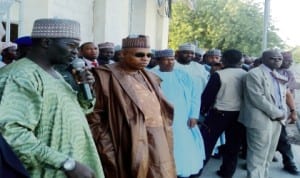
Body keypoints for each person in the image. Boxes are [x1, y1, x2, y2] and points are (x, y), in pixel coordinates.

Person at [0, 18, 104, 178]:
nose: (76, 52)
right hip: (48, 170)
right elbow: (12, 134)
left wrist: (86, 90)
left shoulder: (55, 74)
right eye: (71, 45)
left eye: (77, 47)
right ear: (46, 42)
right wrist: (66, 163)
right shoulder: (20, 76)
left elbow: (75, 111)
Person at [87, 35, 176, 178]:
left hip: (158, 135)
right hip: (126, 139)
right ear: (122, 54)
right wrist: (106, 145)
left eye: (148, 55)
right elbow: (95, 115)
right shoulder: (104, 76)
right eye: (139, 55)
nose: (145, 58)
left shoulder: (151, 77)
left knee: (161, 171)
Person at [152, 49, 205, 178]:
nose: (170, 62)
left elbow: (195, 96)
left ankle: (182, 170)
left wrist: (194, 115)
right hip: (160, 118)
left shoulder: (183, 75)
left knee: (183, 146)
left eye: (171, 59)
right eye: (166, 59)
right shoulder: (150, 75)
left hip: (183, 118)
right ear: (158, 61)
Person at [239, 49, 287, 178]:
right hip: (260, 120)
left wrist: (284, 114)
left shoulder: (277, 75)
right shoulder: (254, 74)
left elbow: (281, 97)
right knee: (257, 157)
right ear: (264, 59)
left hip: (277, 120)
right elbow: (257, 98)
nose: (277, 60)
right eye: (273, 58)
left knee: (269, 155)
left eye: (279, 58)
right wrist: (278, 113)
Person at [200, 49, 247, 178]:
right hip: (238, 115)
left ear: (224, 60)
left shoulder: (219, 75)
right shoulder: (246, 74)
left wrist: (202, 112)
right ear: (240, 60)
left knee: (206, 144)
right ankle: (227, 172)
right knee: (233, 146)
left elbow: (208, 97)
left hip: (218, 114)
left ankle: (197, 171)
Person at [274, 51, 300, 175]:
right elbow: (292, 85)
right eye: (287, 60)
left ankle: (289, 162)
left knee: (282, 137)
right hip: (270, 110)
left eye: (291, 61)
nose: (290, 63)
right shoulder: (268, 71)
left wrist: (293, 111)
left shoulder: (287, 72)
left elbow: (290, 90)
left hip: (284, 110)